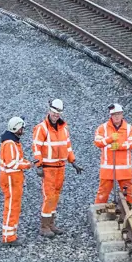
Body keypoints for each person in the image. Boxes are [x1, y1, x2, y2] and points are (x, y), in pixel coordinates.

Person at [32, 99, 80, 237]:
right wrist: (39, 165)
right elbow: (36, 147)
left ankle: (51, 223)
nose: (55, 115)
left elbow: (68, 146)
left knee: (56, 195)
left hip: (60, 167)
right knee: (49, 196)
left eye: (58, 113)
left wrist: (73, 161)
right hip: (48, 167)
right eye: (54, 112)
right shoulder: (41, 128)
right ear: (49, 111)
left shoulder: (64, 128)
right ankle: (44, 226)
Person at [93, 103, 132, 206]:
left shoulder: (129, 129)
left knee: (129, 194)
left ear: (122, 114)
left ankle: (131, 212)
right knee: (102, 194)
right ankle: (97, 211)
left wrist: (119, 146)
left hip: (124, 169)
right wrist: (109, 139)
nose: (116, 116)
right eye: (114, 114)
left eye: (118, 114)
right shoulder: (102, 128)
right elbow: (98, 142)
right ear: (111, 116)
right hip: (108, 168)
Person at [0, 116, 32, 246]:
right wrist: (27, 165)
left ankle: (11, 234)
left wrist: (27, 163)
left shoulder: (11, 142)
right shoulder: (10, 144)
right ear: (16, 128)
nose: (23, 130)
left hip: (13, 179)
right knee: (12, 206)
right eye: (22, 128)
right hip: (11, 179)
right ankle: (8, 237)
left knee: (14, 206)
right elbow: (12, 163)